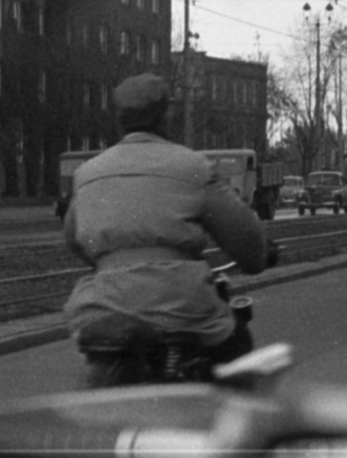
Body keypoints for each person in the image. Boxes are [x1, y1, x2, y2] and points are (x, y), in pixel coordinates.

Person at [63, 74, 272, 380]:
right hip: (182, 305)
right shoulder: (192, 166)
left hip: (103, 306)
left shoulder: (87, 173)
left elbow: (74, 240)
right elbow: (245, 239)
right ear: (166, 116)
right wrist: (260, 254)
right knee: (237, 346)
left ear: (120, 121)